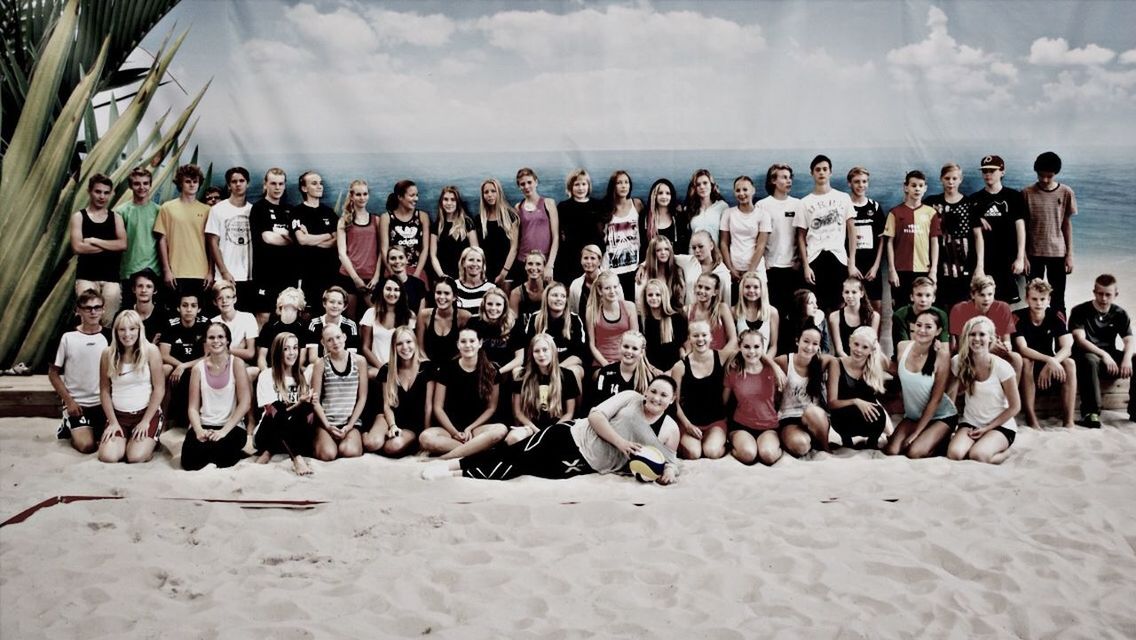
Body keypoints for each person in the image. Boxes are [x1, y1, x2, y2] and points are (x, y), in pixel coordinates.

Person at [423, 378, 681, 485]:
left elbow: (670, 462)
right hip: (571, 436)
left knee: (521, 468)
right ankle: (454, 467)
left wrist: (665, 474)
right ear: (647, 390)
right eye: (654, 391)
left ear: (672, 400)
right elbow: (595, 415)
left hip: (585, 465)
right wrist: (621, 443)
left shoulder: (669, 429)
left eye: (663, 395)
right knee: (515, 455)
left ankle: (462, 472)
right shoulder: (630, 397)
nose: (656, 397)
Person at [419, 327, 508, 458]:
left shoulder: (491, 371)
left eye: (472, 341)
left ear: (480, 343)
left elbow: (491, 408)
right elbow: (438, 408)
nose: (468, 345)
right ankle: (478, 449)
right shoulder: (447, 368)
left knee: (501, 429)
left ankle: (446, 457)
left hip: (476, 430)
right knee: (425, 437)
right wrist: (454, 432)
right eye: (463, 341)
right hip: (449, 431)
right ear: (458, 344)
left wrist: (470, 428)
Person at [947, 316, 1020, 464]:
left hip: (999, 425)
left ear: (991, 338)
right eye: (972, 334)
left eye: (982, 334)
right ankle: (979, 443)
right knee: (955, 454)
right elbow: (950, 392)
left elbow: (1015, 407)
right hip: (971, 422)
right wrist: (949, 421)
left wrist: (987, 429)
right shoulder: (958, 362)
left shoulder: (1002, 367)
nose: (976, 339)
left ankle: (1007, 452)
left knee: (978, 456)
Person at [886, 310, 958, 458]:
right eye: (919, 325)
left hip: (941, 416)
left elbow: (936, 399)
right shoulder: (903, 347)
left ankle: (941, 438)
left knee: (914, 452)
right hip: (913, 416)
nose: (922, 330)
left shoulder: (941, 356)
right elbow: (890, 367)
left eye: (928, 327)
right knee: (892, 450)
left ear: (938, 331)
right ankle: (926, 436)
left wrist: (916, 433)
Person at [96, 311, 165, 463]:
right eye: (122, 329)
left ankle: (150, 439)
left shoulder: (151, 350)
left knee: (135, 457)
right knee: (108, 456)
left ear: (139, 330)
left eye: (132, 329)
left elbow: (159, 389)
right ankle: (126, 438)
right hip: (119, 416)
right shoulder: (108, 354)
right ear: (116, 331)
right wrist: (113, 422)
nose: (127, 334)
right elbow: (105, 390)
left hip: (145, 414)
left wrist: (145, 421)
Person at [182, 322, 253, 470]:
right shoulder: (198, 368)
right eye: (211, 337)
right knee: (189, 463)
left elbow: (245, 403)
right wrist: (198, 430)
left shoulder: (237, 364)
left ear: (228, 340)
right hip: (205, 424)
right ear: (206, 341)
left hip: (231, 426)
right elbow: (192, 408)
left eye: (221, 337)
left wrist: (223, 432)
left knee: (223, 459)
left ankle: (231, 451)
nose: (216, 341)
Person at [49, 291, 112, 453]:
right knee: (87, 446)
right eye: (88, 308)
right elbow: (53, 373)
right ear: (78, 310)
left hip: (102, 404)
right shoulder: (67, 337)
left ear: (103, 310)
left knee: (109, 443)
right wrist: (69, 402)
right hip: (77, 405)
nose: (93, 312)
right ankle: (67, 424)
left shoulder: (109, 336)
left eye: (97, 307)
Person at [1069, 274, 1135, 428]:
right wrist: (1104, 354)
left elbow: (1128, 339)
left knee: (1135, 358)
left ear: (1115, 295)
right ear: (1094, 292)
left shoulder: (1120, 313)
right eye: (1100, 293)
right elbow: (1080, 340)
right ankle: (1090, 413)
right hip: (1086, 356)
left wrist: (1126, 358)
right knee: (1089, 359)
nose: (1104, 298)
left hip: (1109, 357)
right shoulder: (1080, 310)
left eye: (1108, 295)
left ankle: (1135, 411)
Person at [797, 155, 858, 313]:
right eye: (818, 170)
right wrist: (805, 266)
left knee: (840, 305)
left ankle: (838, 338)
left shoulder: (843, 198)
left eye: (825, 169)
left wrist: (851, 263)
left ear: (830, 172)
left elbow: (852, 230)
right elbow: (800, 236)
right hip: (814, 258)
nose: (821, 173)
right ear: (812, 173)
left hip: (838, 257)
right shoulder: (804, 202)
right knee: (817, 307)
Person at [1014, 279, 1076, 428]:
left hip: (1048, 364)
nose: (1039, 303)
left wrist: (1051, 363)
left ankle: (1068, 420)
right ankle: (1031, 416)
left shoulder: (1055, 315)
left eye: (1042, 299)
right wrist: (1050, 360)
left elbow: (1067, 348)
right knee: (1027, 361)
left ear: (1048, 299)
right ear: (1026, 299)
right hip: (1028, 365)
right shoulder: (1017, 316)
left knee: (1070, 363)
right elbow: (1023, 349)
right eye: (1034, 299)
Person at [253, 332, 314, 476]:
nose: (292, 353)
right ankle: (296, 458)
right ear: (278, 351)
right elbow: (270, 411)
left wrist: (307, 402)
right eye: (286, 349)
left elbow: (304, 414)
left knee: (308, 407)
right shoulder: (267, 375)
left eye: (295, 348)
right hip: (267, 434)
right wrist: (297, 403)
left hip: (294, 436)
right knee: (278, 406)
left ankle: (270, 451)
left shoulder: (303, 377)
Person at [1024, 151, 1077, 313]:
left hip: (1058, 253)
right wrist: (1023, 256)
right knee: (1034, 299)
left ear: (1056, 173)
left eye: (1050, 176)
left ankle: (1061, 336)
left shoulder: (1066, 192)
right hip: (1033, 253)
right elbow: (1023, 227)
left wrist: (1069, 255)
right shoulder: (1026, 193)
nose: (1045, 180)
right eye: (1041, 175)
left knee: (1058, 300)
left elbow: (1066, 224)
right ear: (1036, 172)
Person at [969, 155, 1026, 304]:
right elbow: (974, 232)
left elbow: (1020, 227)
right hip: (984, 258)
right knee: (983, 300)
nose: (988, 174)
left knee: (1005, 303)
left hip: (1007, 258)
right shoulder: (974, 199)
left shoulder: (1014, 196)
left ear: (1002, 172)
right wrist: (979, 266)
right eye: (985, 171)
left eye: (992, 171)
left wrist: (1020, 258)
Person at [925, 163, 981, 311]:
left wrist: (979, 265)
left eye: (954, 178)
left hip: (964, 260)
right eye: (947, 178)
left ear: (960, 180)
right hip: (939, 260)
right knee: (938, 305)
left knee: (962, 304)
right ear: (941, 179)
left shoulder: (969, 204)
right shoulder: (931, 202)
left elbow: (977, 236)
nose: (950, 182)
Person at [154, 164, 212, 308]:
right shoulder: (167, 208)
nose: (192, 184)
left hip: (201, 273)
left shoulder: (207, 210)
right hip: (176, 273)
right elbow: (162, 240)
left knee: (199, 316)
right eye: (188, 181)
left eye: (195, 181)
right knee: (175, 316)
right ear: (180, 183)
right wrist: (167, 270)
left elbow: (211, 244)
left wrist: (211, 272)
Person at [71, 174, 126, 323]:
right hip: (86, 277)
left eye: (106, 192)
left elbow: (122, 244)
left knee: (108, 322)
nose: (102, 196)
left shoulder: (116, 218)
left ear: (111, 193)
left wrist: (95, 241)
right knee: (88, 321)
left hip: (111, 279)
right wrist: (110, 245)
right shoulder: (79, 217)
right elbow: (78, 247)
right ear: (89, 191)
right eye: (98, 191)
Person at [723, 330, 785, 465]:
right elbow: (724, 402)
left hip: (768, 425)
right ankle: (738, 447)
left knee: (768, 455)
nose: (751, 351)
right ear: (740, 347)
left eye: (756, 347)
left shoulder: (772, 370)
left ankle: (774, 446)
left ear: (763, 348)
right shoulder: (733, 371)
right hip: (741, 425)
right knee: (748, 455)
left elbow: (781, 399)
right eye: (746, 347)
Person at [369, 326, 432, 457]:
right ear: (394, 347)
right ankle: (365, 434)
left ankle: (393, 440)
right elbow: (387, 405)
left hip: (412, 425)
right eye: (399, 343)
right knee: (372, 443)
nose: (405, 347)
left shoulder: (427, 368)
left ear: (415, 343)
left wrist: (425, 436)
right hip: (389, 417)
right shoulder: (387, 369)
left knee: (392, 447)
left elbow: (428, 407)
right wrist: (392, 426)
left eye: (408, 342)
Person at [507, 333, 581, 444]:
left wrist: (550, 432)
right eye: (536, 351)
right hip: (531, 427)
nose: (541, 355)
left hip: (557, 426)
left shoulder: (567, 375)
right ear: (531, 354)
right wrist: (536, 431)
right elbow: (518, 412)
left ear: (553, 351)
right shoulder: (522, 376)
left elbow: (569, 413)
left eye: (545, 350)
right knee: (512, 438)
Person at [884, 170, 941, 311]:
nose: (917, 189)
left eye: (921, 185)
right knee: (900, 311)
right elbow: (889, 242)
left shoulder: (931, 213)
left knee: (923, 311)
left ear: (925, 188)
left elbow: (934, 242)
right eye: (913, 185)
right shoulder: (895, 213)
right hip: (900, 271)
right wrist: (892, 270)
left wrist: (933, 270)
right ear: (906, 187)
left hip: (923, 270)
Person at [826, 327, 890, 450]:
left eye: (865, 347)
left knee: (879, 414)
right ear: (850, 343)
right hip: (843, 416)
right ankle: (846, 441)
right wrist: (856, 401)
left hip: (868, 417)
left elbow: (898, 368)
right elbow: (831, 403)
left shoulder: (877, 362)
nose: (858, 350)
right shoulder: (836, 364)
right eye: (856, 344)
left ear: (871, 350)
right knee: (838, 416)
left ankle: (872, 442)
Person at [310, 323, 367, 461]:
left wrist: (349, 426)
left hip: (350, 422)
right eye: (329, 340)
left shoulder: (359, 361)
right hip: (327, 422)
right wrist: (328, 426)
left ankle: (348, 438)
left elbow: (362, 397)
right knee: (328, 454)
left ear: (344, 337)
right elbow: (315, 400)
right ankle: (322, 440)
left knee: (349, 451)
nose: (335, 342)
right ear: (323, 342)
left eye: (338, 337)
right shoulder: (321, 363)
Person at [671, 320, 727, 460]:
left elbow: (749, 351)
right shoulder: (680, 366)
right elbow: (674, 402)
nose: (700, 339)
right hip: (690, 421)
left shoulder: (721, 356)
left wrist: (774, 366)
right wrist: (687, 425)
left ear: (711, 337)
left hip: (715, 421)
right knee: (694, 454)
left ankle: (723, 441)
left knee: (711, 452)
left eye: (704, 335)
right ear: (689, 339)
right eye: (695, 336)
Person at [948, 275, 1021, 380]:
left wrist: (1006, 346)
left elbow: (1007, 341)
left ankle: (1008, 395)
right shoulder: (959, 309)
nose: (986, 299)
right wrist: (989, 347)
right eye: (982, 295)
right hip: (969, 353)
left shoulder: (1003, 307)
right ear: (973, 295)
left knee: (1016, 358)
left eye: (990, 294)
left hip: (995, 353)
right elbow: (961, 347)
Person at [775, 326, 833, 456]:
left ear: (819, 346)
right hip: (789, 417)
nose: (809, 347)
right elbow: (763, 361)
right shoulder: (785, 361)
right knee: (801, 446)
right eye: (806, 341)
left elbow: (841, 361)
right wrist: (774, 367)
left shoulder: (821, 361)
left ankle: (825, 447)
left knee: (812, 411)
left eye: (815, 344)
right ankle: (803, 439)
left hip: (815, 418)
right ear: (797, 341)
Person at [249, 167, 295, 324]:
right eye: (273, 183)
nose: (277, 187)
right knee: (264, 316)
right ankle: (256, 350)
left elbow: (297, 239)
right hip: (264, 274)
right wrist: (287, 238)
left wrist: (287, 238)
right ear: (265, 184)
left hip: (287, 274)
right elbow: (267, 237)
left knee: (286, 317)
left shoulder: (290, 210)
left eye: (281, 184)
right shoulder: (258, 208)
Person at [759, 163, 803, 325]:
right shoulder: (762, 205)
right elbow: (758, 239)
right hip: (771, 267)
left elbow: (802, 236)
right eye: (784, 177)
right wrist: (764, 262)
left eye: (790, 177)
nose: (788, 181)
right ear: (773, 180)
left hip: (793, 268)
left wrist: (799, 260)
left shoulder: (798, 204)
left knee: (794, 312)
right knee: (774, 313)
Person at [157, 292, 208, 427]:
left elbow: (208, 356)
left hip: (196, 365)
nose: (189, 309)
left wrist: (184, 366)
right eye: (185, 305)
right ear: (179, 308)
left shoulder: (205, 324)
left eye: (193, 306)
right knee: (165, 369)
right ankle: (162, 420)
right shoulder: (170, 324)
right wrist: (180, 366)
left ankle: (196, 420)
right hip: (174, 366)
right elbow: (163, 355)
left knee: (198, 370)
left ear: (199, 309)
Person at [205, 167, 254, 307]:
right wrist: (224, 272)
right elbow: (212, 243)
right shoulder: (218, 210)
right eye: (234, 181)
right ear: (228, 185)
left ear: (247, 183)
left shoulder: (253, 210)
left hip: (248, 276)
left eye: (242, 181)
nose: (238, 184)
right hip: (224, 276)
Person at [292, 170, 339, 312]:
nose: (319, 186)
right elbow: (301, 240)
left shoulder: (329, 212)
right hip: (308, 274)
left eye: (320, 183)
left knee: (329, 313)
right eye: (314, 183)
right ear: (304, 188)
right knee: (308, 315)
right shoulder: (297, 212)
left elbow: (337, 241)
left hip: (330, 273)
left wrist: (311, 238)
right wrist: (327, 235)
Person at [335, 179, 382, 319]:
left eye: (365, 194)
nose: (362, 198)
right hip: (348, 276)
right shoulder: (344, 220)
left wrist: (376, 276)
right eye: (358, 194)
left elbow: (381, 251)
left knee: (376, 316)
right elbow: (342, 253)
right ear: (352, 196)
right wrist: (355, 279)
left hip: (371, 279)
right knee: (350, 319)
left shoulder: (376, 220)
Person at [521, 281, 587, 380]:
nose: (559, 299)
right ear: (546, 297)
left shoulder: (574, 320)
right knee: (518, 372)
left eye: (563, 296)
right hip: (540, 365)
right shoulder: (535, 318)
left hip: (566, 366)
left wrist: (556, 370)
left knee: (575, 371)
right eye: (555, 295)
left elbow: (579, 355)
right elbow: (529, 351)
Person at [720, 175, 771, 296]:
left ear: (753, 190)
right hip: (734, 267)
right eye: (738, 190)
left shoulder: (763, 215)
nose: (741, 193)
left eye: (745, 189)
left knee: (758, 304)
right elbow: (723, 243)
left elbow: (761, 245)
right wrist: (730, 269)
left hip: (756, 268)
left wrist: (750, 272)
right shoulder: (728, 213)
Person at [116, 167, 160, 305]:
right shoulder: (121, 212)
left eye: (145, 183)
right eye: (137, 183)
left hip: (154, 271)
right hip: (129, 271)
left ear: (150, 184)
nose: (142, 187)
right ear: (130, 186)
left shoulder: (159, 211)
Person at [847, 167, 886, 314]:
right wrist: (850, 264)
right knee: (850, 306)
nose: (861, 185)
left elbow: (881, 239)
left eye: (864, 181)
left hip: (871, 268)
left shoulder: (874, 207)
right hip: (851, 267)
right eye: (857, 182)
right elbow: (837, 239)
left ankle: (874, 337)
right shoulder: (844, 206)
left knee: (876, 307)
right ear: (849, 183)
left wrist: (876, 267)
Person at [600, 170, 644, 299]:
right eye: (619, 183)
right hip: (611, 270)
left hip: (633, 268)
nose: (624, 186)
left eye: (626, 182)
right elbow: (600, 238)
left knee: (633, 308)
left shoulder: (637, 204)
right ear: (613, 186)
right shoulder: (605, 208)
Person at [556, 169, 604, 283]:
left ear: (588, 186)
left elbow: (601, 233)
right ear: (570, 187)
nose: (581, 188)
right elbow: (559, 234)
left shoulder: (597, 205)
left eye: (584, 184)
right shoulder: (563, 207)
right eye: (577, 184)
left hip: (592, 256)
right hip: (570, 257)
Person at [380, 180, 431, 283]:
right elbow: (384, 249)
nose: (416, 199)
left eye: (417, 195)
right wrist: (393, 274)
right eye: (412, 195)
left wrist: (416, 275)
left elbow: (425, 248)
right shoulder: (386, 218)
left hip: (416, 270)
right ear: (400, 197)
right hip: (393, 270)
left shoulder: (422, 216)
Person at [360, 276, 414, 372]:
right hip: (376, 367)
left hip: (401, 367)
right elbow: (365, 348)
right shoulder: (371, 313)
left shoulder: (409, 315)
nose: (392, 293)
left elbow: (411, 347)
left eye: (396, 290)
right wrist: (383, 369)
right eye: (388, 289)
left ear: (401, 293)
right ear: (382, 290)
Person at [514, 168, 559, 282]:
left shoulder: (548, 203)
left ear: (536, 182)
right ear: (519, 186)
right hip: (524, 261)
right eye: (522, 184)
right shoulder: (518, 207)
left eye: (529, 182)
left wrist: (550, 265)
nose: (526, 186)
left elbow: (556, 237)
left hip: (544, 261)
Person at [587, 270, 639, 366]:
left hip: (627, 360)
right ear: (600, 290)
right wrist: (606, 365)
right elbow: (592, 344)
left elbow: (636, 339)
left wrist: (626, 362)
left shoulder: (629, 307)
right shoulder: (592, 310)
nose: (612, 291)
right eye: (607, 288)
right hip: (602, 362)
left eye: (615, 287)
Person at [467, 287, 523, 374]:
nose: (493, 308)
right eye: (489, 304)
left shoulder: (514, 325)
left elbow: (519, 359)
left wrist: (498, 372)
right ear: (483, 305)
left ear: (504, 306)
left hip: (505, 372)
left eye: (498, 304)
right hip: (479, 372)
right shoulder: (473, 323)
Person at [476, 178, 519, 289]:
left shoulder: (511, 216)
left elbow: (514, 248)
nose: (490, 195)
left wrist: (504, 272)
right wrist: (481, 272)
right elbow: (477, 249)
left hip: (507, 271)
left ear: (499, 192)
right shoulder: (479, 219)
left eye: (493, 191)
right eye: (486, 192)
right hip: (485, 273)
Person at [256, 287, 312, 372]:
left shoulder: (303, 328)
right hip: (272, 370)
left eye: (294, 297)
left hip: (294, 371)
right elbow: (261, 357)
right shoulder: (269, 326)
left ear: (300, 307)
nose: (291, 298)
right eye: (288, 296)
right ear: (280, 303)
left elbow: (302, 358)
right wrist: (266, 373)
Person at [639, 278, 688, 374]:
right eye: (650, 295)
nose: (653, 298)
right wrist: (653, 370)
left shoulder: (677, 318)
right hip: (649, 370)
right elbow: (642, 351)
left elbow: (683, 347)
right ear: (645, 297)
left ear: (664, 296)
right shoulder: (642, 320)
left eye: (658, 295)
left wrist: (672, 371)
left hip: (674, 370)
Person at [416, 277, 469, 364]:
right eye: (438, 293)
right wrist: (429, 368)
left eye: (446, 293)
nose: (441, 297)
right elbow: (420, 349)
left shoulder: (464, 317)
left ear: (454, 297)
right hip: (428, 367)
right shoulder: (423, 315)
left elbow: (464, 351)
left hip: (456, 368)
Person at [592, 330, 652, 407]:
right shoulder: (605, 372)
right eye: (626, 346)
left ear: (641, 353)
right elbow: (597, 404)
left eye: (634, 348)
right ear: (619, 347)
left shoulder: (648, 377)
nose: (629, 351)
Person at [430, 185, 478, 281]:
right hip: (442, 276)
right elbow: (433, 255)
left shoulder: (467, 223)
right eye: (446, 199)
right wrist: (442, 276)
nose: (449, 203)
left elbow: (476, 252)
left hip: (464, 277)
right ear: (441, 202)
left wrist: (465, 274)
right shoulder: (437, 225)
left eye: (453, 200)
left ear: (458, 203)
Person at [210, 281, 259, 372]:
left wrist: (224, 349)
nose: (224, 301)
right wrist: (238, 349)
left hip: (242, 364)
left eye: (228, 297)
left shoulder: (248, 318)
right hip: (219, 365)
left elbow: (250, 353)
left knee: (253, 371)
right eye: (220, 298)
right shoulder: (212, 322)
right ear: (215, 302)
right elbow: (211, 353)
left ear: (235, 299)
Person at [892, 276, 949, 351]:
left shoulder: (941, 315)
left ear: (934, 298)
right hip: (906, 356)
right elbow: (903, 349)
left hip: (932, 356)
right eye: (919, 295)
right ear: (912, 297)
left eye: (928, 295)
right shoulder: (900, 316)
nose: (923, 299)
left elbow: (944, 347)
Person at [828, 277, 880, 358]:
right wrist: (851, 364)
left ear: (861, 294)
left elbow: (872, 346)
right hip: (844, 360)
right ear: (842, 294)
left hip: (865, 361)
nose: (850, 296)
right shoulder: (834, 317)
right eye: (847, 292)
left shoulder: (874, 317)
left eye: (854, 292)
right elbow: (839, 350)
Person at [306, 285, 361, 363]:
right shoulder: (314, 324)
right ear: (324, 303)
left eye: (339, 303)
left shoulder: (351, 326)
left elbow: (351, 356)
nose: (335, 306)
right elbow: (313, 358)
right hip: (319, 366)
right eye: (332, 302)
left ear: (344, 306)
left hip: (342, 365)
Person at [686, 272, 737, 353]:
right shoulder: (687, 310)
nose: (702, 291)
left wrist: (720, 358)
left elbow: (733, 340)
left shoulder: (722, 308)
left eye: (707, 288)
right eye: (700, 286)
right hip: (696, 360)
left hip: (719, 360)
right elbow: (685, 341)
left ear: (715, 292)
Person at [640, 178, 689, 263]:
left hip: (673, 266)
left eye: (668, 193)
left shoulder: (678, 218)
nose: (664, 196)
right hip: (651, 266)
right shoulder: (645, 218)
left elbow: (683, 247)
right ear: (654, 195)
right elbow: (642, 246)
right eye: (660, 193)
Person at [679, 230, 732, 307]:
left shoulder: (722, 272)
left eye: (701, 246)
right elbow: (669, 256)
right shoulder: (688, 261)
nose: (697, 250)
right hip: (690, 315)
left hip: (712, 316)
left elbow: (726, 302)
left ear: (711, 245)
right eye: (694, 248)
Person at [734, 271, 780, 357]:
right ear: (741, 289)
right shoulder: (734, 311)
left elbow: (773, 346)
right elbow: (732, 343)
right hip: (741, 361)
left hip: (764, 361)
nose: (751, 290)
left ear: (762, 289)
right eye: (747, 287)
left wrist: (765, 363)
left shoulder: (772, 312)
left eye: (756, 287)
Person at [637, 235, 686, 310]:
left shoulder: (677, 271)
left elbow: (680, 301)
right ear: (653, 253)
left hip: (673, 314)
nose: (663, 252)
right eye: (658, 250)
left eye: (666, 249)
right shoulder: (645, 273)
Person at [120, 269, 168, 345]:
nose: (143, 290)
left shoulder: (164, 316)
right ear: (133, 289)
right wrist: (151, 345)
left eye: (148, 286)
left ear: (155, 290)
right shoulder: (123, 315)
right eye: (140, 286)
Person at [684, 169, 728, 249]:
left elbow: (725, 239)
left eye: (705, 183)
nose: (702, 187)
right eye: (698, 184)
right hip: (694, 256)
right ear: (695, 188)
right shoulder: (689, 208)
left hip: (715, 256)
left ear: (711, 185)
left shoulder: (722, 206)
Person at [386, 246, 427, 314]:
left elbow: (421, 315)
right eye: (393, 258)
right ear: (388, 261)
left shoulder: (419, 284)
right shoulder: (382, 285)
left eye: (401, 257)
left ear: (406, 259)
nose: (397, 261)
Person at [454, 246, 494, 317]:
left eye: (478, 260)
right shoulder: (454, 285)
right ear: (463, 263)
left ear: (483, 265)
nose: (474, 264)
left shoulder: (491, 289)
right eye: (471, 260)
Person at [509, 250, 548, 321]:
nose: (533, 268)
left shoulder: (550, 290)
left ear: (544, 267)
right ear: (525, 267)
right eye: (530, 264)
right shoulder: (516, 293)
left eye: (538, 264)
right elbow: (512, 322)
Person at [790, 288, 831, 354]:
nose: (816, 306)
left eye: (815, 302)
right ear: (801, 305)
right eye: (811, 303)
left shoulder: (820, 319)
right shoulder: (789, 324)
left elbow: (826, 347)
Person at [569, 244, 603, 320]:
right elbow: (572, 312)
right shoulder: (575, 284)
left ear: (599, 261)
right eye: (585, 258)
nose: (589, 261)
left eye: (593, 258)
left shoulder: (610, 281)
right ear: (581, 260)